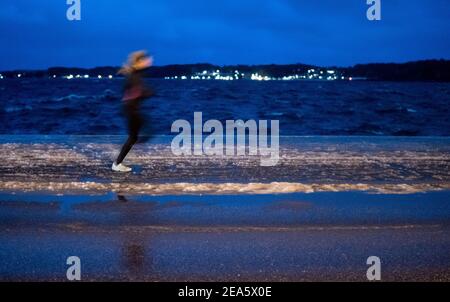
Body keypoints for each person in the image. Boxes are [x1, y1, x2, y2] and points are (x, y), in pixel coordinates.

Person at [112, 51, 154, 172]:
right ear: (140, 62)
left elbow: (133, 91)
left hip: (131, 109)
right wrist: (147, 93)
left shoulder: (136, 73)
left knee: (136, 136)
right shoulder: (134, 75)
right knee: (139, 135)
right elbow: (136, 92)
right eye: (147, 60)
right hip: (131, 110)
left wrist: (145, 92)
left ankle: (118, 160)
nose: (150, 62)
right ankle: (117, 162)